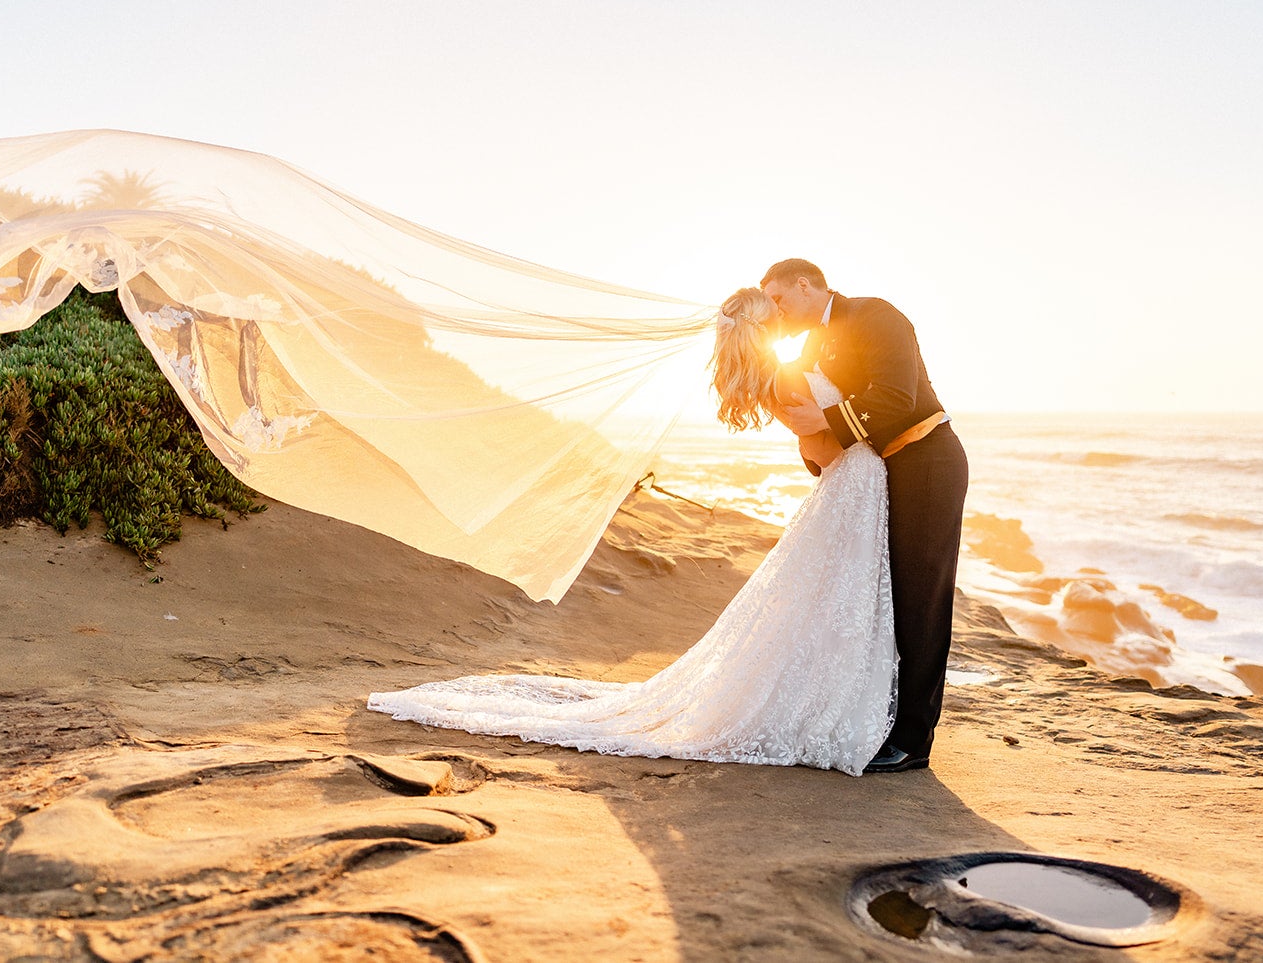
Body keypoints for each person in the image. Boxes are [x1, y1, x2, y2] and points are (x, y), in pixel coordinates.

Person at [367, 285, 900, 775]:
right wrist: (858, 447)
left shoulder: (776, 375)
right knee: (832, 601)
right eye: (776, 311)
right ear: (766, 328)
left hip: (849, 487)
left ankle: (825, 698)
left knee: (824, 603)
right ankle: (822, 707)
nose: (786, 316)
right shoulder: (785, 377)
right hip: (852, 485)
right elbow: (821, 446)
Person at [762, 258, 968, 773]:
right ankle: (878, 721)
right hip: (879, 475)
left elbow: (897, 398)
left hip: (927, 460)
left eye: (779, 300)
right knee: (881, 599)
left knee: (920, 600)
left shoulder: (876, 315)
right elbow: (814, 416)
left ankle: (913, 741)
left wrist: (823, 419)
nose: (776, 312)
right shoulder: (809, 346)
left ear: (805, 285)